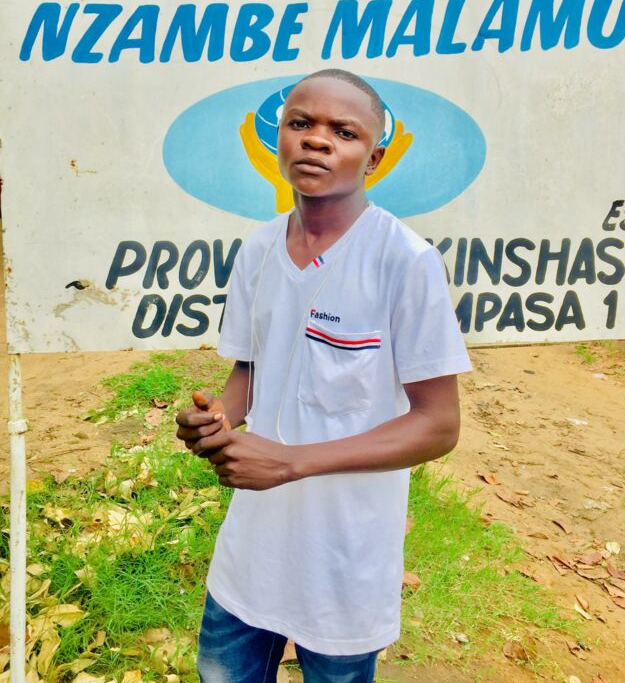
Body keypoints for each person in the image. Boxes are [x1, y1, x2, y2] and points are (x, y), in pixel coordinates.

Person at [175, 68, 471, 683]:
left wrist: (291, 462)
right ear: (278, 138)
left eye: (344, 131)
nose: (317, 139)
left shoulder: (405, 261)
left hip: (345, 552)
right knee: (220, 673)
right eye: (301, 123)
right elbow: (250, 369)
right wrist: (219, 417)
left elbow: (439, 425)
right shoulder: (258, 249)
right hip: (253, 543)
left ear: (374, 158)